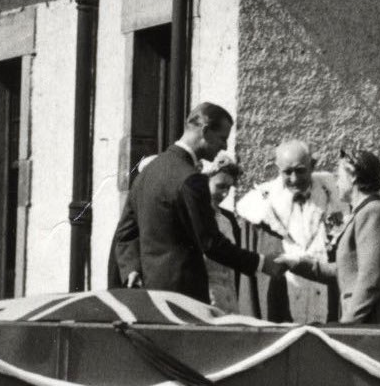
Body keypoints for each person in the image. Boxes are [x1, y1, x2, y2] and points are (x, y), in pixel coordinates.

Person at [111, 103, 277, 303]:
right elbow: (210, 243)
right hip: (184, 297)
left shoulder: (147, 172)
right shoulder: (190, 178)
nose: (224, 147)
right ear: (205, 131)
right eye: (222, 138)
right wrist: (261, 263)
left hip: (148, 296)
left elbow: (125, 234)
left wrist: (131, 269)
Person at [279, 149, 380, 326]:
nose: (336, 183)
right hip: (368, 326)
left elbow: (370, 281)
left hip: (378, 328)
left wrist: (347, 326)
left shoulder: (373, 213)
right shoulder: (363, 213)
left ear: (353, 176)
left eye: (339, 176)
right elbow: (345, 270)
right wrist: (295, 264)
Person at [235, 140, 336, 323]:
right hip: (281, 310)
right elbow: (249, 280)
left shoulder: (334, 202)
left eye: (300, 170)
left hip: (326, 308)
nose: (294, 179)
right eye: (287, 172)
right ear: (277, 169)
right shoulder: (260, 211)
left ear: (312, 165)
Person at [203, 160, 264, 316]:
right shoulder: (195, 218)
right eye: (220, 186)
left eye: (229, 188)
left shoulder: (227, 219)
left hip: (229, 299)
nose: (225, 194)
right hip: (204, 299)